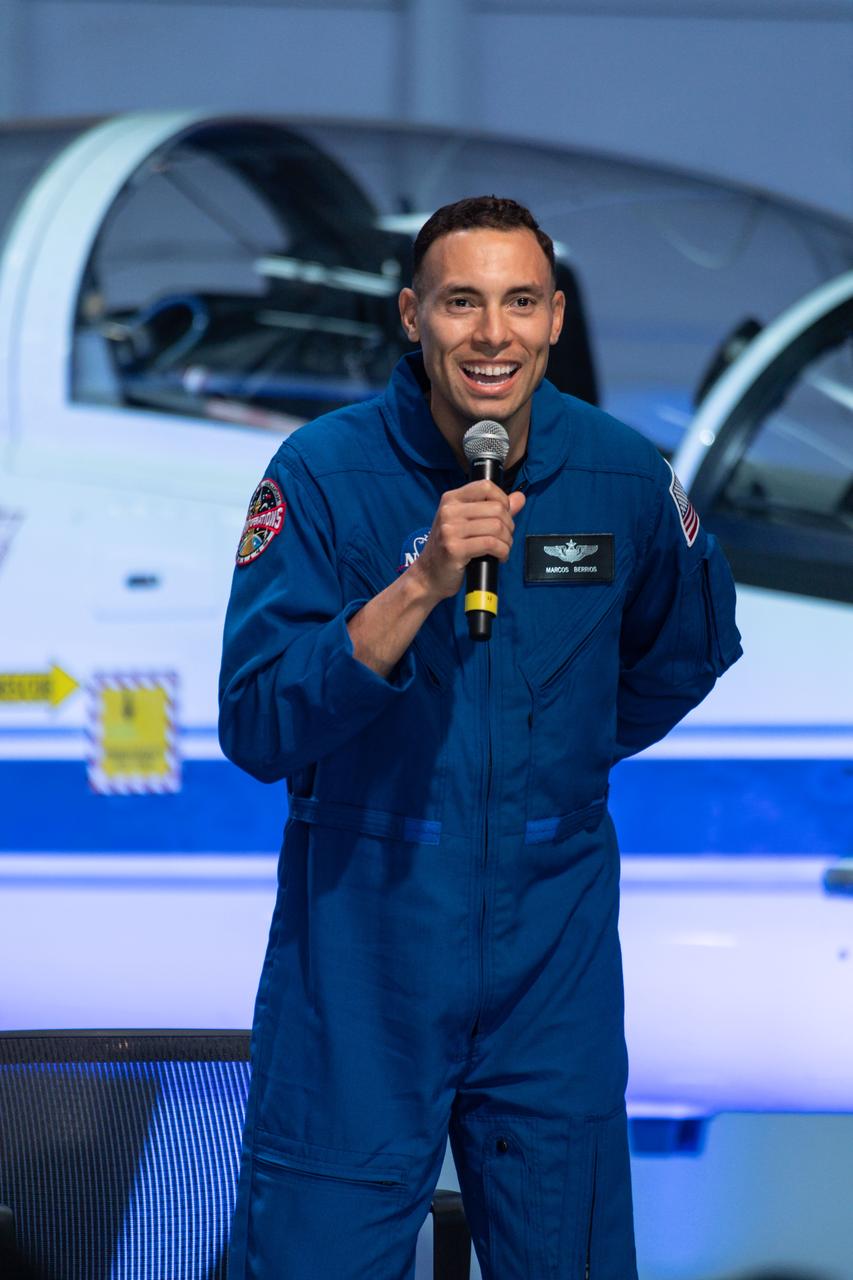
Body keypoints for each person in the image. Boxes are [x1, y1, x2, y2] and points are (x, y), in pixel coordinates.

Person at [219, 196, 742, 1279]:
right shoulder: (322, 474)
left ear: (554, 318)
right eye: (461, 302)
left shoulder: (622, 478)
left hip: (551, 954)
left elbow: (684, 650)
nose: (491, 334)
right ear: (413, 316)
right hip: (364, 942)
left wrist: (554, 753)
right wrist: (418, 584)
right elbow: (259, 718)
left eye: (518, 302)